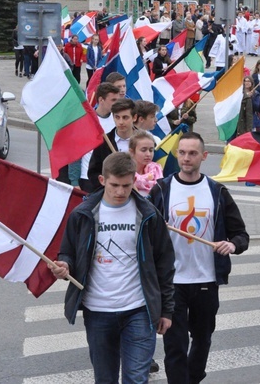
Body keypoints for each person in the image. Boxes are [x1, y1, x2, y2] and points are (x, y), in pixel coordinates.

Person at [50, 152, 175, 383]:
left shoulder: (148, 215)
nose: (120, 192)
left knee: (136, 378)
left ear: (133, 181)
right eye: (114, 185)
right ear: (102, 180)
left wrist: (166, 310)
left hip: (139, 309)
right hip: (98, 311)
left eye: (126, 186)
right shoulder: (82, 214)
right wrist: (64, 266)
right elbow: (67, 251)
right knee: (105, 378)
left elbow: (164, 263)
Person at [149, 132, 249, 384]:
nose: (186, 158)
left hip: (206, 280)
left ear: (204, 156)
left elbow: (241, 235)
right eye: (182, 153)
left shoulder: (217, 192)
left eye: (193, 153)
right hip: (172, 283)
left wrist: (232, 245)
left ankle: (192, 378)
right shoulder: (162, 190)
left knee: (202, 339)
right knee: (175, 345)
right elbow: (145, 232)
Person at [87, 99, 137, 192]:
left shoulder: (144, 140)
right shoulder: (104, 142)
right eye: (117, 117)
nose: (121, 122)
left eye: (125, 117)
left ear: (134, 117)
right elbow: (93, 172)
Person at [129, 131, 164, 197]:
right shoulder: (125, 173)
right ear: (132, 152)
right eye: (143, 150)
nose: (148, 154)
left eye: (151, 150)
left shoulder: (157, 170)